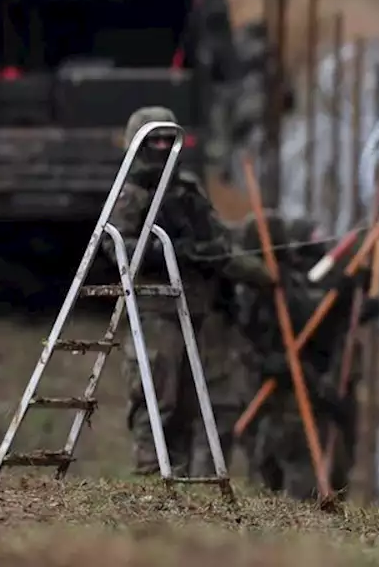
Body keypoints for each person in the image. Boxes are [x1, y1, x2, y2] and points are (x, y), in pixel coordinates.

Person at [106, 106, 274, 478]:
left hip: (194, 305)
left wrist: (231, 261)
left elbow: (217, 239)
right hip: (152, 305)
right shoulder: (130, 193)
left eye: (169, 140)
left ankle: (176, 470)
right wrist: (168, 251)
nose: (164, 148)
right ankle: (151, 468)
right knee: (155, 391)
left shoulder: (188, 188)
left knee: (189, 398)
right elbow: (117, 246)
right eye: (155, 141)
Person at [230, 212, 379, 501]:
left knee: (311, 466)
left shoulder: (286, 283)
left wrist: (348, 298)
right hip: (267, 393)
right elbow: (248, 334)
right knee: (269, 466)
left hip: (303, 391)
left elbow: (316, 323)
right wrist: (267, 362)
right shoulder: (252, 285)